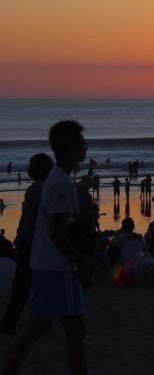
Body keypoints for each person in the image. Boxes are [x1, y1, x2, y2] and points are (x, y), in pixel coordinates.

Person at [3, 121, 92, 375]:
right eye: (82, 143)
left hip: (56, 266)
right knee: (40, 327)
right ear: (68, 148)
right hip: (55, 268)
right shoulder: (61, 183)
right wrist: (82, 260)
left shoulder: (58, 180)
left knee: (73, 329)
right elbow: (57, 233)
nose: (85, 149)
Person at [1, 153, 53, 334]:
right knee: (40, 285)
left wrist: (22, 238)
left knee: (21, 286)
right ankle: (44, 321)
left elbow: (29, 219)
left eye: (32, 165)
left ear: (39, 168)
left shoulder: (35, 189)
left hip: (30, 243)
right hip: (43, 244)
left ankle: (10, 323)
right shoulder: (49, 187)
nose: (29, 169)